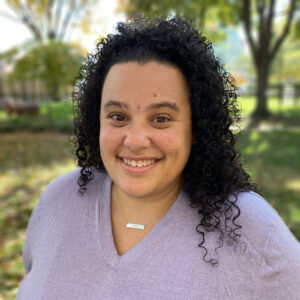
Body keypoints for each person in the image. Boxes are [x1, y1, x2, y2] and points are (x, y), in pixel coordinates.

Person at [17, 16, 300, 300]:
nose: (136, 140)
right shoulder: (58, 201)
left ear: (195, 127)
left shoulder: (253, 233)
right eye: (118, 116)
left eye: (161, 118)